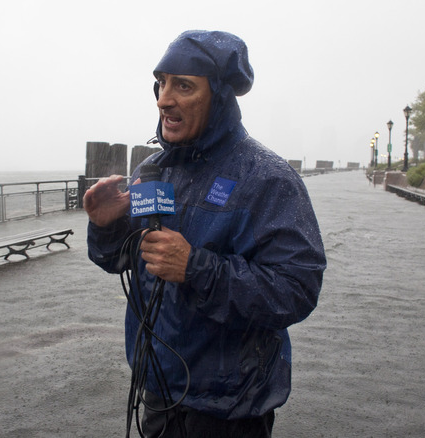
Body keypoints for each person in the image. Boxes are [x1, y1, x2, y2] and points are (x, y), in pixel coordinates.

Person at [85, 30, 326, 437]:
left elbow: (296, 289)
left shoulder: (267, 178)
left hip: (229, 409)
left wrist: (196, 268)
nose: (164, 98)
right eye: (161, 83)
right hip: (159, 390)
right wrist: (107, 228)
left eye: (183, 86)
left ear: (218, 96)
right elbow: (127, 262)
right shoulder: (152, 172)